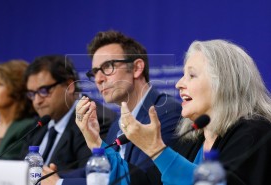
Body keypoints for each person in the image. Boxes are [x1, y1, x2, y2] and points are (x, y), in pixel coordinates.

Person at [102, 39, 271, 185]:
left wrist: (155, 148)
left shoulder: (255, 133)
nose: (179, 84)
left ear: (224, 83)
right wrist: (95, 141)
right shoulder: (192, 140)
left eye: (191, 75)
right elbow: (145, 182)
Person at [44, 30, 182, 185]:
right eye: (95, 72)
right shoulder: (117, 123)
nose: (98, 79)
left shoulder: (166, 112)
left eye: (108, 67)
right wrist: (51, 176)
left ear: (136, 68)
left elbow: (144, 180)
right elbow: (99, 171)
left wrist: (59, 183)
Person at [23, 55, 117, 171]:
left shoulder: (94, 120)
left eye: (44, 91)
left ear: (69, 86)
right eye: (32, 94)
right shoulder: (38, 125)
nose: (37, 101)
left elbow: (89, 174)